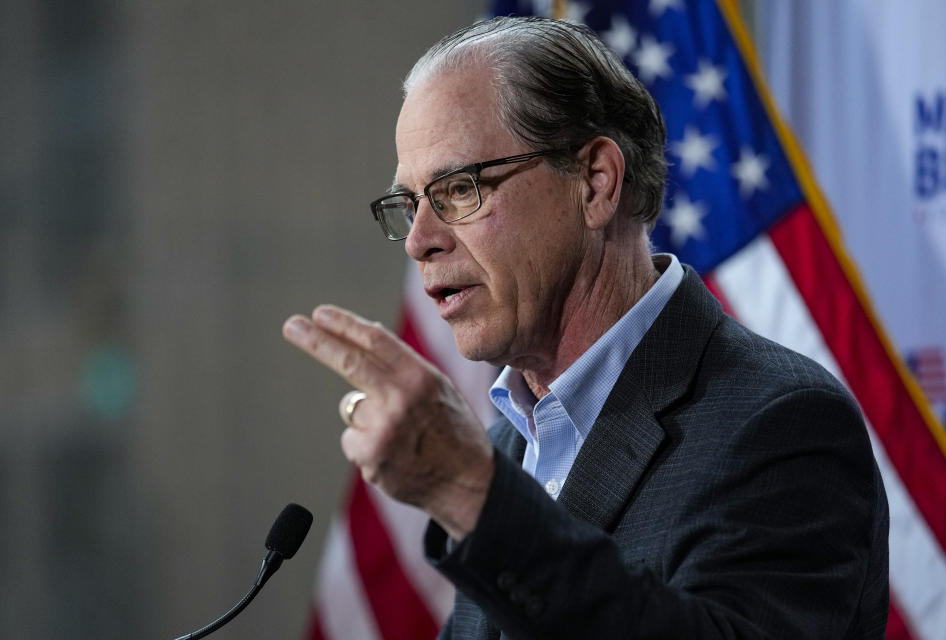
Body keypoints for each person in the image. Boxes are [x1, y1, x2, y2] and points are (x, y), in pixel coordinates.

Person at [283, 16, 888, 639]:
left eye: (459, 190)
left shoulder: (778, 421)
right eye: (410, 205)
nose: (419, 241)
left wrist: (468, 492)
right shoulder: (505, 446)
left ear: (595, 183)